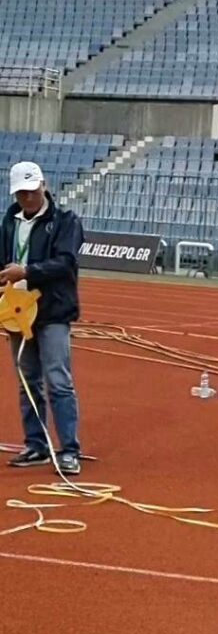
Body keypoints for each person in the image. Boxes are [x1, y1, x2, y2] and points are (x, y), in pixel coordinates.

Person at [0, 161, 84, 475]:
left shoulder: (65, 221)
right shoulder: (9, 221)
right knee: (27, 381)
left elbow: (65, 263)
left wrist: (28, 272)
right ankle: (36, 444)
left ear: (43, 185)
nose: (27, 198)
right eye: (21, 193)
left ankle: (69, 449)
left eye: (31, 191)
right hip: (16, 312)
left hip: (52, 312)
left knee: (58, 381)